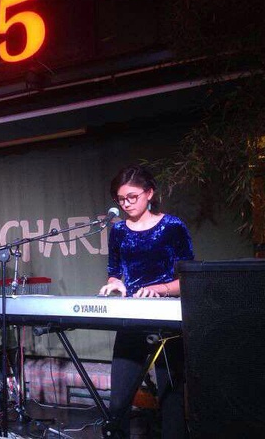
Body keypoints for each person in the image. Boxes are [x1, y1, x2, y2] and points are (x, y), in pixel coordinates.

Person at [99, 165, 194, 439]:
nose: (126, 204)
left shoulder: (172, 227)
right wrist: (115, 284)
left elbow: (188, 279)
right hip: (132, 319)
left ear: (149, 193)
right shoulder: (118, 231)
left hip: (167, 321)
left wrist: (160, 289)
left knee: (171, 398)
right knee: (119, 399)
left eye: (132, 197)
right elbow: (115, 273)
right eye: (120, 199)